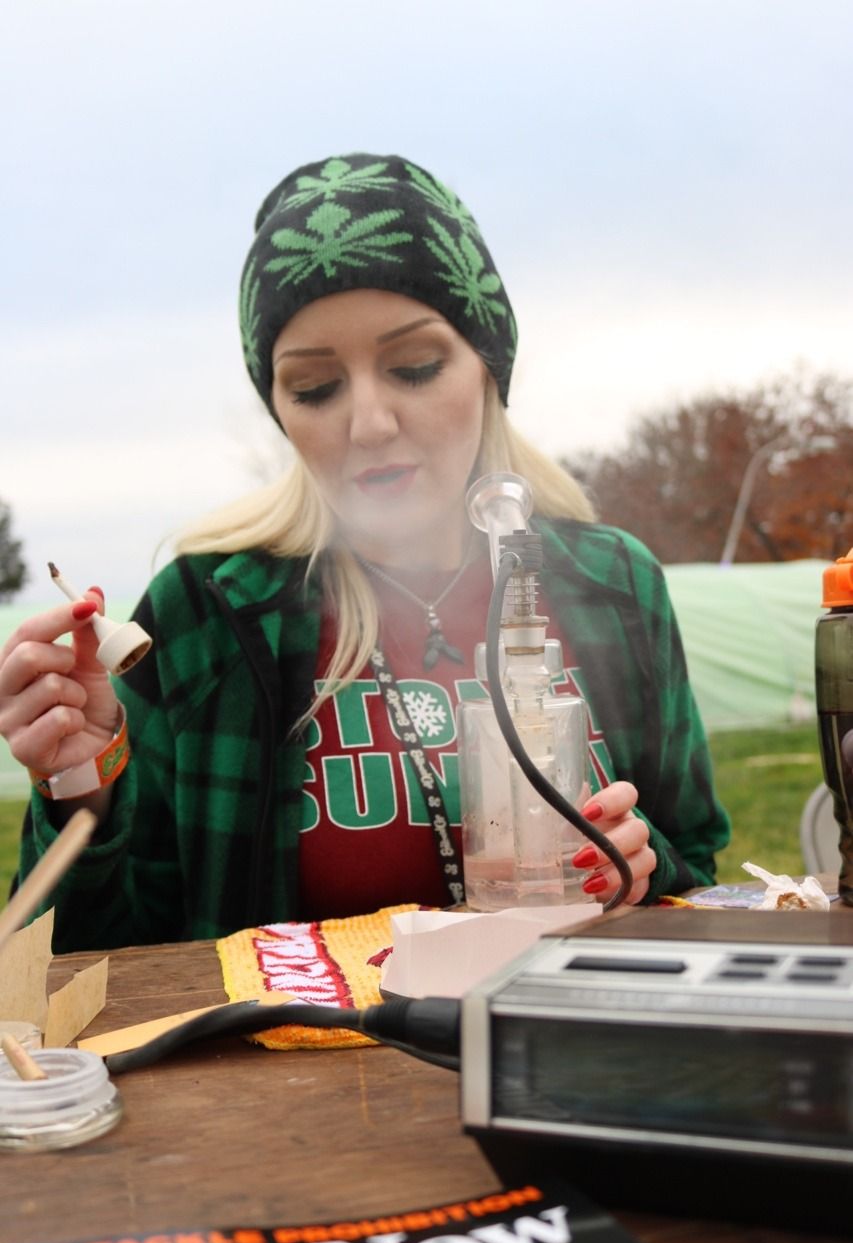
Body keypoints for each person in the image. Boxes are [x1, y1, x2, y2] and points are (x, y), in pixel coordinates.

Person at [0, 153, 729, 951]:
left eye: (414, 367)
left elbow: (697, 865)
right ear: (279, 408)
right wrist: (81, 783)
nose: (370, 423)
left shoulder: (610, 584)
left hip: (561, 1028)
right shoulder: (208, 613)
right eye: (314, 388)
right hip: (291, 1037)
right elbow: (91, 959)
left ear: (488, 366)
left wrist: (641, 864)